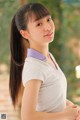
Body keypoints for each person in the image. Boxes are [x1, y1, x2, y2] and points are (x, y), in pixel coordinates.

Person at [9, 2, 80, 120]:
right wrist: (65, 114)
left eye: (48, 19)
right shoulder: (34, 67)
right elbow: (27, 116)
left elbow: (50, 97)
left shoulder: (48, 57)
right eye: (38, 24)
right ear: (25, 33)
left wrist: (72, 107)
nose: (48, 27)